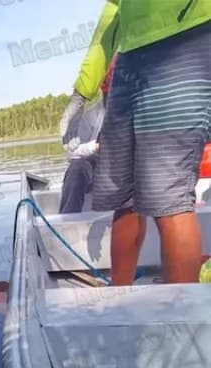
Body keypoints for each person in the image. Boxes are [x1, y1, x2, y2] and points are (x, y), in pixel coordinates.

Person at [62, 1, 211, 285]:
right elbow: (112, 10)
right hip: (129, 52)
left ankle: (176, 323)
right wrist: (83, 89)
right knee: (123, 195)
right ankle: (120, 298)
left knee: (170, 197)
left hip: (186, 35)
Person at [59, 56, 115, 214]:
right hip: (97, 169)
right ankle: (66, 224)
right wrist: (95, 147)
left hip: (127, 169)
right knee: (77, 168)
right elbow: (71, 153)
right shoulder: (91, 115)